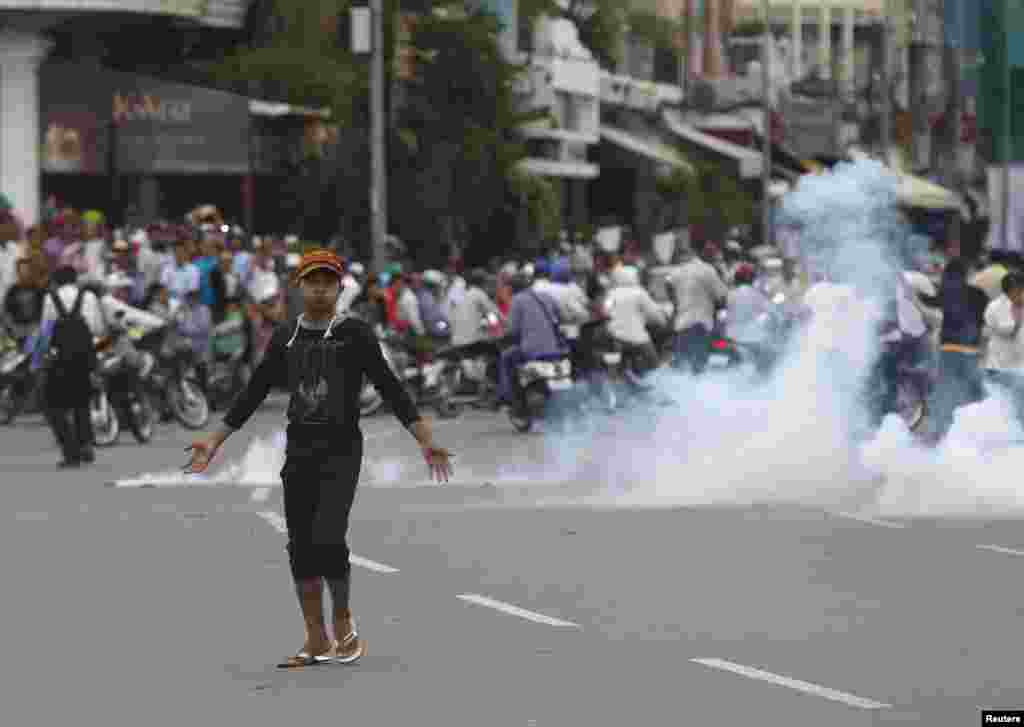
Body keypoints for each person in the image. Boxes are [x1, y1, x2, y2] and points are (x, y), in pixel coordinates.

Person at [183, 249, 453, 668]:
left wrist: (425, 439)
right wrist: (215, 440)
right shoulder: (286, 336)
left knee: (328, 537)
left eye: (328, 280)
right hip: (300, 450)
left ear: (340, 286)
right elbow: (253, 392)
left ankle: (342, 619)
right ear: (299, 286)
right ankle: (315, 636)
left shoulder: (356, 334)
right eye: (313, 280)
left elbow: (391, 388)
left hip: (342, 448)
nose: (321, 287)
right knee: (300, 546)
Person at [41, 266, 104, 468]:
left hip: (60, 357)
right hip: (85, 355)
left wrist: (41, 358)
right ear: (75, 280)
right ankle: (85, 444)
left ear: (56, 281)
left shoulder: (51, 298)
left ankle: (71, 452)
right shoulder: (88, 297)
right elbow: (97, 327)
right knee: (81, 401)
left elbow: (46, 331)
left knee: (53, 405)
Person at [930, 258, 989, 437]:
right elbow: (987, 318)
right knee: (974, 393)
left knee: (945, 394)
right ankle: (980, 432)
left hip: (949, 350)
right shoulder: (979, 294)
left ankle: (942, 434)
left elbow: (928, 302)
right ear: (965, 275)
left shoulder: (945, 293)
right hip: (971, 351)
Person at [498, 274, 569, 408]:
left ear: (512, 289)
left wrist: (503, 336)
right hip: (554, 349)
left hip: (531, 351)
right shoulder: (545, 297)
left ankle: (509, 396)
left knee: (506, 357)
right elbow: (561, 317)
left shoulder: (517, 300)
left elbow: (512, 330)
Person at [669, 242, 729, 374]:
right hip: (702, 325)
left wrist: (675, 302)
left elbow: (668, 284)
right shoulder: (708, 270)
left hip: (682, 326)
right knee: (702, 364)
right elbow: (722, 296)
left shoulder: (676, 272)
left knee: (681, 366)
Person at [604, 265, 666, 373]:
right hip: (637, 338)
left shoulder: (610, 294)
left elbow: (605, 311)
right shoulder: (639, 293)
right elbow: (654, 313)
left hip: (614, 337)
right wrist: (662, 321)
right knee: (656, 366)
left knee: (614, 368)